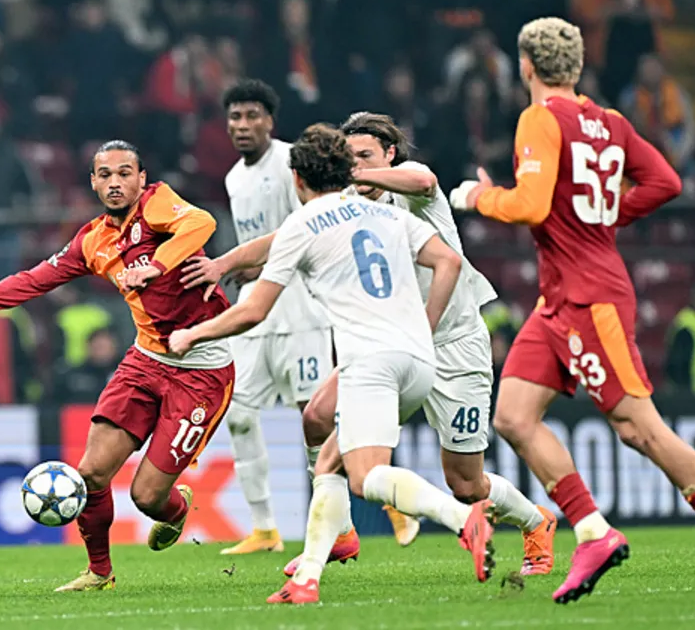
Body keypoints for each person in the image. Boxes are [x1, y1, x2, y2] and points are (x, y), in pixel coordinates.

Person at [449, 16, 695, 604]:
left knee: (638, 427)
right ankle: (592, 531)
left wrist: (477, 196)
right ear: (576, 66)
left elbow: (530, 204)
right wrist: (609, 214)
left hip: (590, 298)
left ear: (526, 66)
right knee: (513, 416)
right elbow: (666, 181)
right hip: (558, 299)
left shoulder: (539, 118)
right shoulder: (610, 122)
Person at [168, 124, 495, 605]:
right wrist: (423, 326)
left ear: (297, 180)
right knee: (320, 433)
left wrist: (193, 334)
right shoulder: (376, 211)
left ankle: (463, 520)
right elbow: (448, 260)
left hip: (390, 355)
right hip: (411, 353)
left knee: (371, 478)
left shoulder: (324, 216)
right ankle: (311, 573)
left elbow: (253, 309)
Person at [0, 140, 235, 592]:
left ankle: (175, 509)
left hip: (202, 370)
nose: (115, 182)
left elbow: (202, 222)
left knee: (147, 497)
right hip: (146, 360)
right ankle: (99, 572)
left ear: (141, 178)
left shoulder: (156, 204)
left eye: (125, 173)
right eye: (105, 174)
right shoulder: (93, 240)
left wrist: (155, 266)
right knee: (91, 473)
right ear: (93, 182)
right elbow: (37, 278)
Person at [295, 112, 553, 575]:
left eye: (366, 156)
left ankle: (537, 522)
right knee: (318, 420)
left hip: (455, 346)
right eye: (349, 158)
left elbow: (425, 180)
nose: (357, 167)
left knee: (467, 484)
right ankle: (336, 535)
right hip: (388, 347)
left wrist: (359, 176)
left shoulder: (413, 186)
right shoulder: (349, 204)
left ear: (389, 154)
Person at [201, 78, 334, 556]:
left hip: (299, 306)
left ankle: (345, 515)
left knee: (314, 416)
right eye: (235, 116)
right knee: (236, 411)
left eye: (252, 115)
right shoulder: (233, 178)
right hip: (256, 311)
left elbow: (313, 227)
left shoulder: (291, 162)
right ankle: (264, 529)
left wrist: (258, 266)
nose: (242, 124)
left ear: (270, 121)